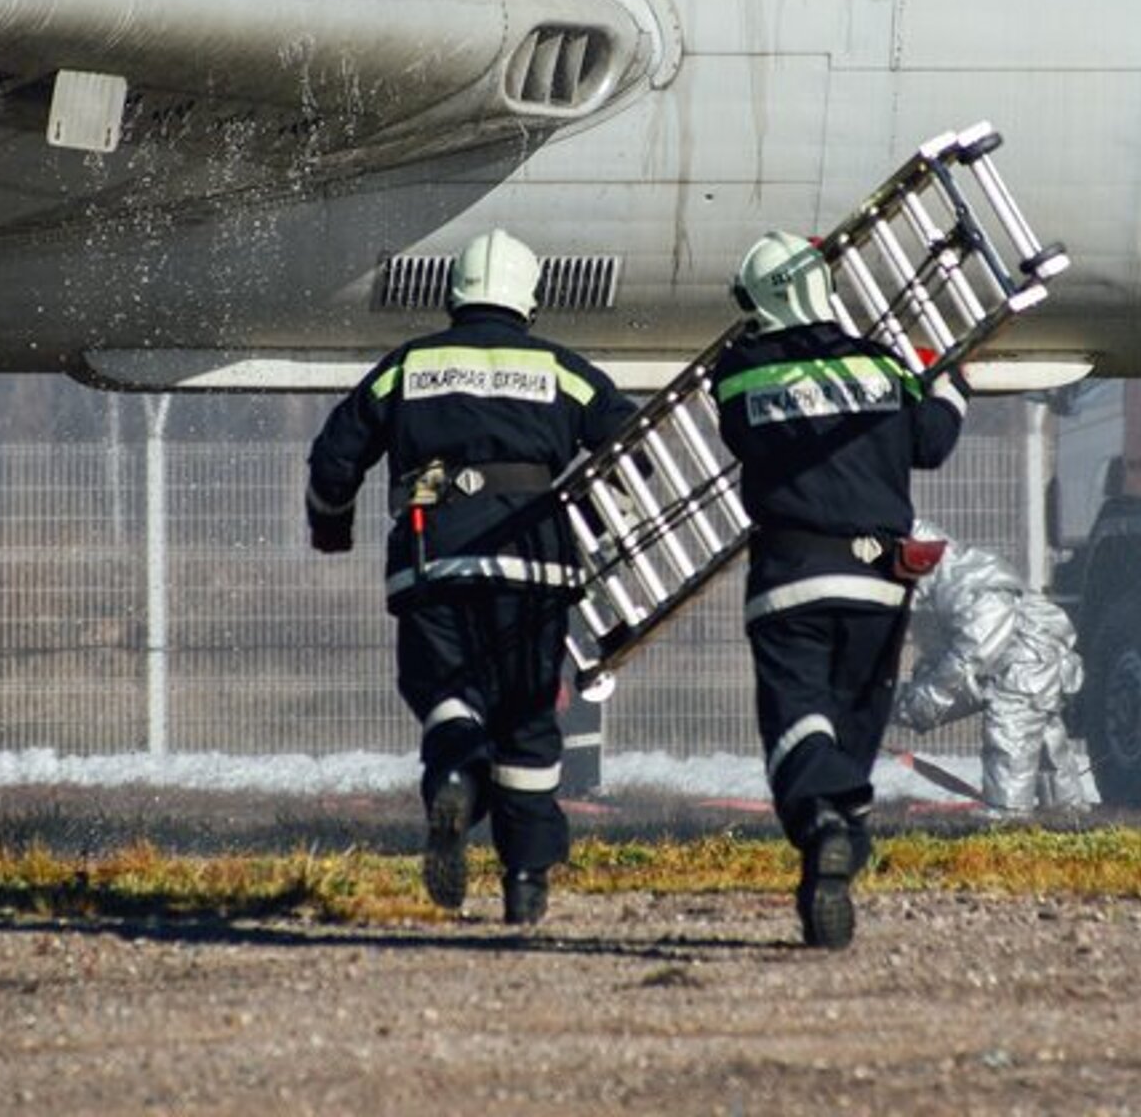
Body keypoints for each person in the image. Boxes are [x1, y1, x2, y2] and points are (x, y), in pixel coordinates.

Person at [305, 229, 637, 924]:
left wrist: (331, 526)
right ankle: (524, 881)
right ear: (528, 298)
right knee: (525, 721)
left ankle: (454, 778)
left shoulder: (409, 366)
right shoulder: (561, 370)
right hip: (534, 567)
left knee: (447, 695)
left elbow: (336, 455)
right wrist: (605, 523)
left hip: (434, 562)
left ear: (454, 295)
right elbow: (633, 449)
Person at [711, 231, 968, 949]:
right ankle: (835, 858)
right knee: (855, 723)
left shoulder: (741, 368)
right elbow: (933, 442)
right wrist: (950, 383)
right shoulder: (883, 364)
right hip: (880, 586)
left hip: (791, 575)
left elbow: (740, 434)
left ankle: (826, 821)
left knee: (797, 718)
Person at [894, 521, 1087, 815]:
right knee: (1044, 743)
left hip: (1025, 664)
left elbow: (975, 646)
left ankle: (1007, 815)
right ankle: (1066, 811)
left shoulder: (961, 579)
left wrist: (933, 693)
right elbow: (951, 651)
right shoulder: (940, 582)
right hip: (1028, 663)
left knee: (1010, 737)